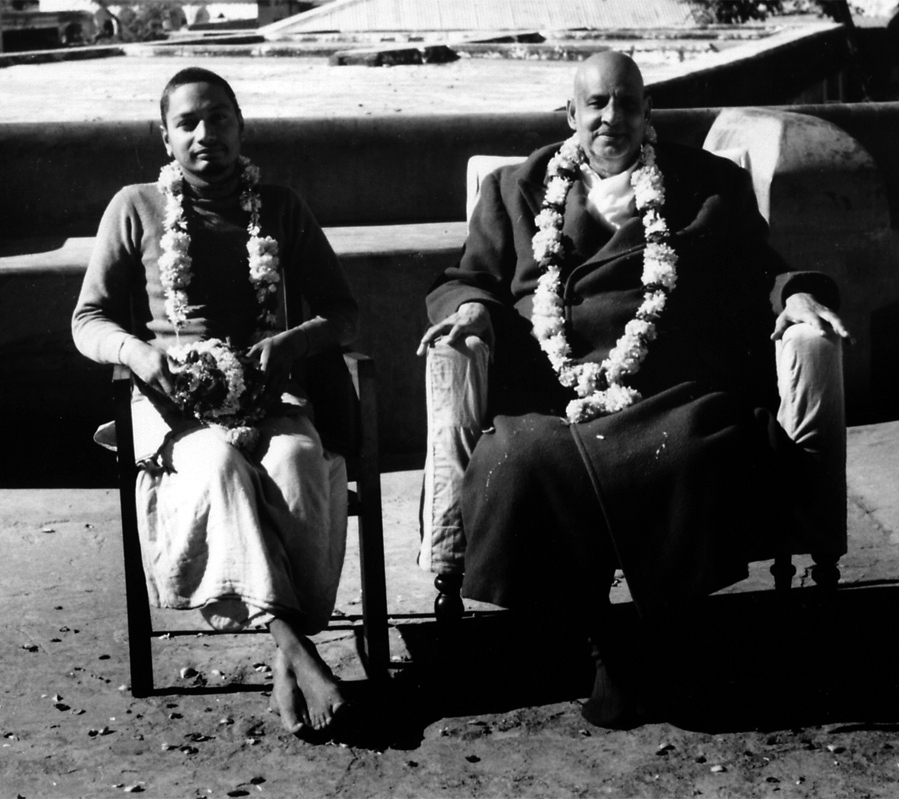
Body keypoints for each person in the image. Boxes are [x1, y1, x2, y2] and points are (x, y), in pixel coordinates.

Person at [417, 52, 851, 726]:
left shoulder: (707, 183)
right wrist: (471, 310)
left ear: (647, 111)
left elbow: (763, 269)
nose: (610, 117)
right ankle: (603, 637)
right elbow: (469, 277)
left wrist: (795, 296)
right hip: (555, 392)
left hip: (672, 384)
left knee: (699, 449)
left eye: (625, 102)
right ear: (571, 114)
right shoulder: (515, 187)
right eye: (595, 104)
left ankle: (653, 634)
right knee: (520, 459)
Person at [72, 67, 357, 737]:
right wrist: (139, 354)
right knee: (222, 469)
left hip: (268, 396)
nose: (206, 134)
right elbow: (88, 320)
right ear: (164, 136)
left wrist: (291, 342)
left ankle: (287, 653)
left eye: (219, 118)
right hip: (174, 407)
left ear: (240, 125)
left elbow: (343, 312)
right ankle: (297, 649)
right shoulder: (135, 206)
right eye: (188, 123)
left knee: (297, 462)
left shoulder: (280, 207)